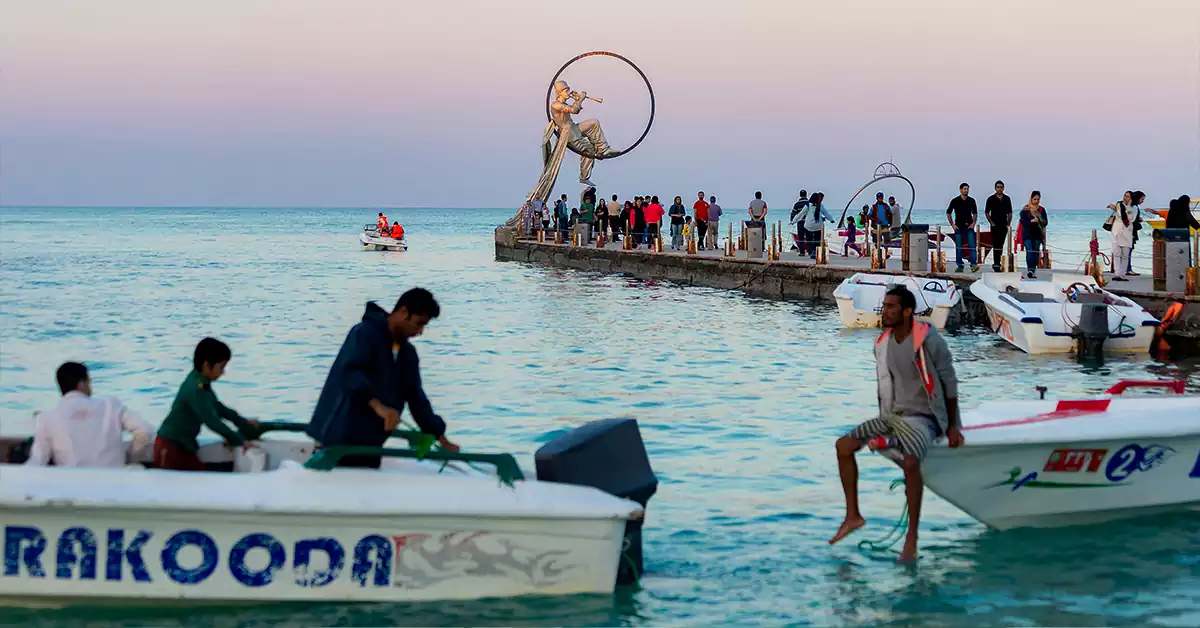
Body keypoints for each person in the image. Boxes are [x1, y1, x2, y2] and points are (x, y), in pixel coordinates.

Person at [829, 286, 964, 563]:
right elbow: (884, 386)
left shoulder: (928, 340)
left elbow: (949, 380)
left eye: (891, 306)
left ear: (906, 311)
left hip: (925, 418)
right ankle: (853, 515)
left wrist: (953, 426)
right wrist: (884, 420)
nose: (885, 311)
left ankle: (911, 539)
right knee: (843, 446)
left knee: (912, 462)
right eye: (884, 305)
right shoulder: (882, 343)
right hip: (892, 417)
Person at [307, 288, 459, 469]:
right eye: (419, 324)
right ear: (403, 312)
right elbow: (350, 373)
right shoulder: (364, 334)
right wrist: (380, 407)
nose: (420, 332)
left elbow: (416, 398)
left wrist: (440, 437)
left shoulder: (408, 354)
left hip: (372, 444)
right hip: (338, 439)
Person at [155, 338, 259, 471]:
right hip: (170, 448)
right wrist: (238, 440)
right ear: (206, 365)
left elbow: (217, 407)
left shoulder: (201, 382)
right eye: (221, 367)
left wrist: (241, 422)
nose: (223, 372)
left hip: (184, 446)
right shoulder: (196, 389)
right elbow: (211, 420)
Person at [26, 362, 154, 468]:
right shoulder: (111, 406)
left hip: (72, 488)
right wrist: (128, 455)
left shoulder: (46, 418)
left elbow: (38, 460)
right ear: (81, 384)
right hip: (114, 483)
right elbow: (146, 431)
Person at [946, 183, 980, 273]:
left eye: (967, 189)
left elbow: (975, 213)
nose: (966, 190)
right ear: (960, 190)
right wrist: (952, 224)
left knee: (972, 246)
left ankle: (973, 265)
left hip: (969, 227)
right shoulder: (955, 200)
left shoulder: (971, 200)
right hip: (958, 227)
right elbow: (948, 212)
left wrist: (973, 223)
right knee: (959, 247)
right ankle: (960, 265)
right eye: (964, 189)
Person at [984, 181, 1013, 271]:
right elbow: (987, 212)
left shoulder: (1007, 199)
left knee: (1001, 244)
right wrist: (991, 222)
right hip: (994, 224)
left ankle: (998, 262)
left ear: (1003, 188)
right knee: (995, 244)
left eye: (1001, 187)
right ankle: (996, 263)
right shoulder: (991, 199)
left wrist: (1008, 223)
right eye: (998, 187)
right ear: (995, 188)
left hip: (1003, 224)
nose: (999, 189)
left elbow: (1010, 212)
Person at [1019, 191, 1049, 279]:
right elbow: (1022, 221)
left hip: (1037, 234)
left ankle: (1033, 270)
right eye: (1034, 199)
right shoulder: (1026, 209)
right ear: (1031, 199)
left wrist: (1040, 220)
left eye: (1038, 199)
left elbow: (1045, 222)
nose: (1036, 201)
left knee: (1036, 253)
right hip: (1027, 233)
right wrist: (1031, 221)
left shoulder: (1041, 210)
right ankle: (1030, 270)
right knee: (1029, 251)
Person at [1107, 191, 1135, 281]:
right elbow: (1119, 214)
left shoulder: (1134, 208)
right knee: (1116, 253)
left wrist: (1128, 207)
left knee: (1125, 254)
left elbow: (1131, 218)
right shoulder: (1119, 205)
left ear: (1131, 199)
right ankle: (1117, 273)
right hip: (1116, 231)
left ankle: (1123, 274)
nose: (1125, 198)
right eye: (1125, 196)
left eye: (1128, 197)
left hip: (1127, 232)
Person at [803, 192, 835, 258]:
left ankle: (811, 252)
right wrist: (831, 220)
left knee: (809, 240)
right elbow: (826, 213)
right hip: (818, 226)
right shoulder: (820, 205)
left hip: (809, 226)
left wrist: (793, 221)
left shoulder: (808, 205)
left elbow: (801, 214)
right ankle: (816, 252)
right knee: (817, 240)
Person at [1127, 191, 1146, 276]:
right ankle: (1128, 269)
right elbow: (1132, 219)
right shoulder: (1134, 207)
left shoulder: (1130, 206)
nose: (1143, 201)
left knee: (1125, 250)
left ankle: (1125, 268)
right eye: (1142, 199)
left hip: (1127, 230)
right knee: (1128, 250)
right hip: (1130, 231)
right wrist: (1139, 219)